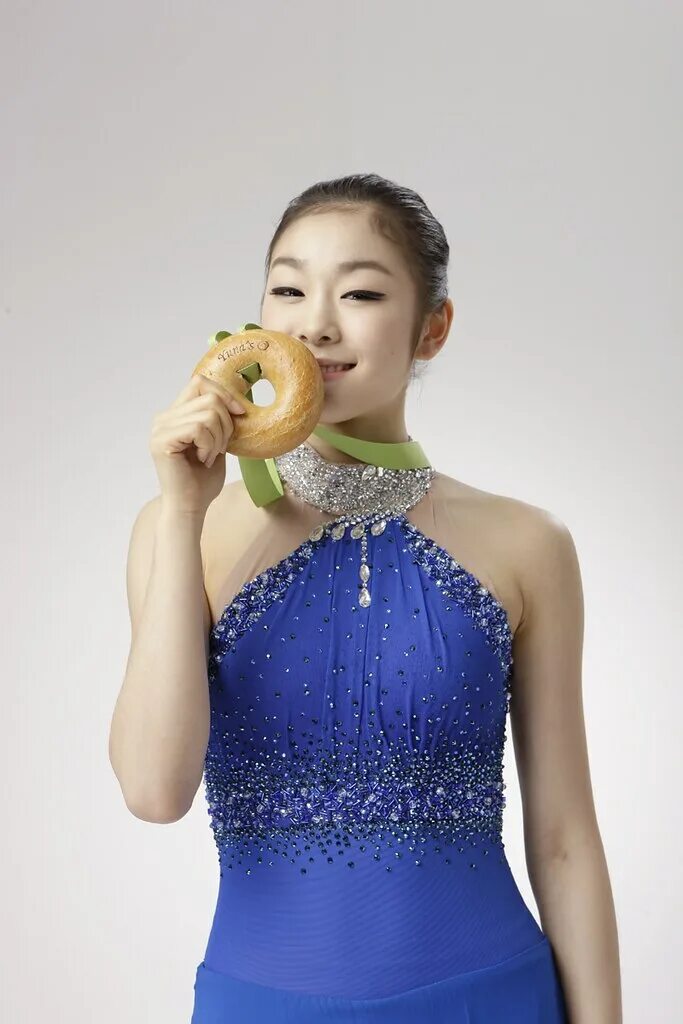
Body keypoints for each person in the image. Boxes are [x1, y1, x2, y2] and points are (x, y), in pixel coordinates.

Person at [109, 173, 621, 1023]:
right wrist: (182, 512)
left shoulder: (526, 544)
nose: (315, 324)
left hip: (488, 998)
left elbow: (564, 841)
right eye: (287, 289)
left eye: (359, 293)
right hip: (260, 1005)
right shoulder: (180, 529)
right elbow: (152, 792)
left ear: (433, 327)